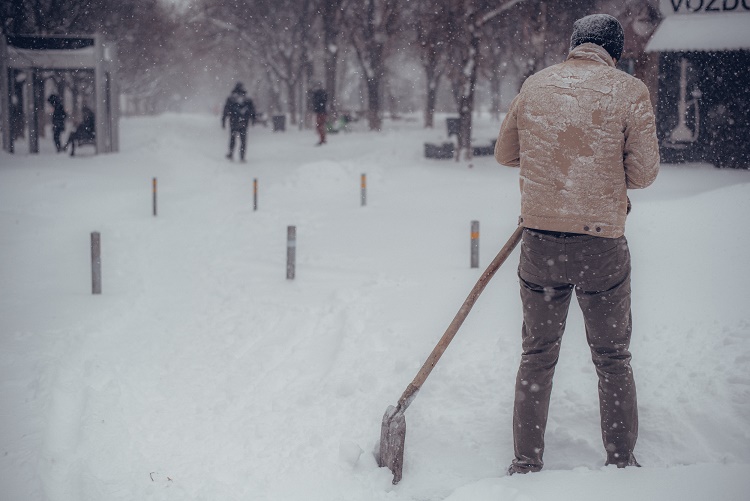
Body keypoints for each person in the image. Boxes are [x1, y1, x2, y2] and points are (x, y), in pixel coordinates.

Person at [494, 14, 659, 475]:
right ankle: (622, 460)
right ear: (616, 50)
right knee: (612, 357)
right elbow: (644, 174)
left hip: (540, 244)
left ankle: (526, 462)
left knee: (537, 355)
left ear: (573, 44)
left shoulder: (536, 85)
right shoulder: (629, 92)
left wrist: (553, 158)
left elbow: (506, 153)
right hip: (601, 248)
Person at [221, 82, 256, 162]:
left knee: (232, 138)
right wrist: (253, 120)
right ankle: (242, 156)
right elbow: (252, 111)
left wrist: (223, 121)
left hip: (234, 122)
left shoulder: (231, 99)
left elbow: (226, 110)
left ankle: (231, 153)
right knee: (243, 140)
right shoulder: (247, 99)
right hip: (244, 122)